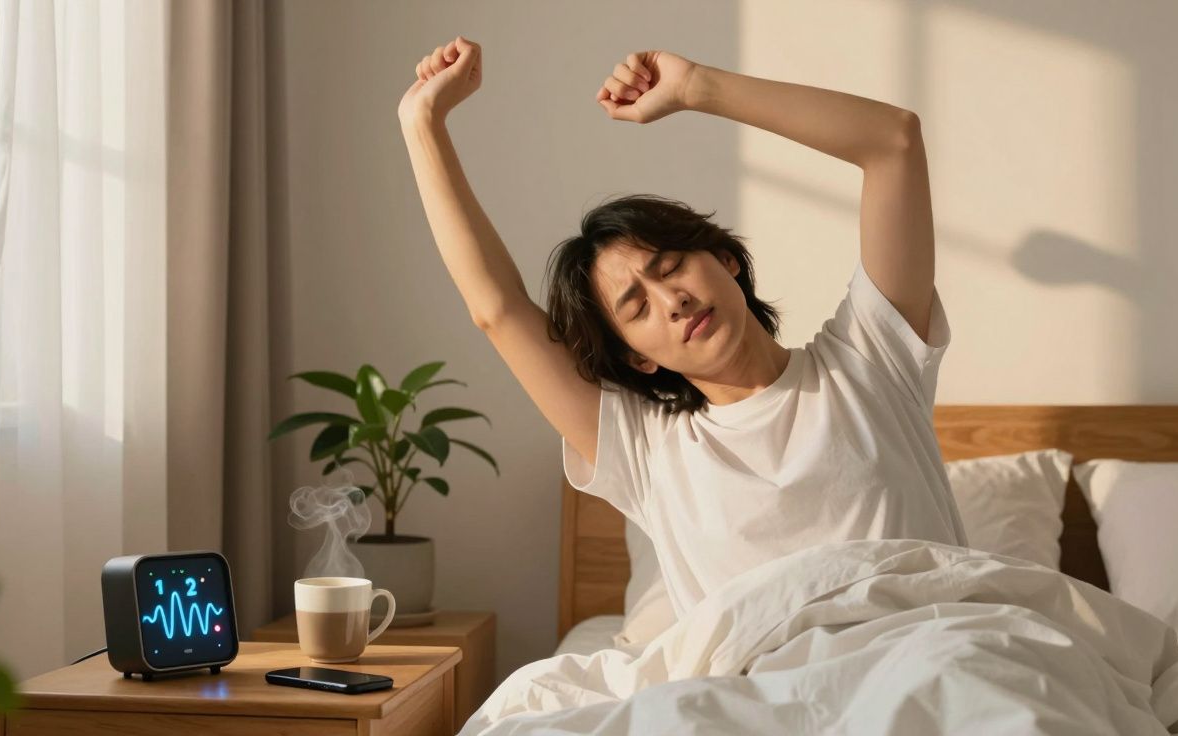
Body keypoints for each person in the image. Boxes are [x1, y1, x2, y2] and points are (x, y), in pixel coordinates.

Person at [397, 37, 968, 618]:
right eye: (637, 309)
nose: (671, 300)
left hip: (930, 666)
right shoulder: (647, 450)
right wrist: (422, 122)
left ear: (727, 261)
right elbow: (497, 309)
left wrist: (696, 86)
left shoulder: (872, 361)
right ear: (638, 358)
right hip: (766, 695)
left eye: (669, 268)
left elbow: (894, 142)